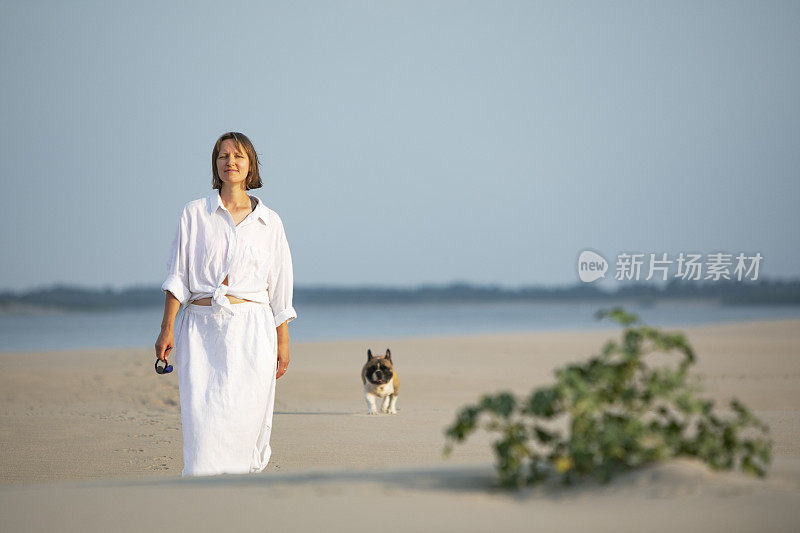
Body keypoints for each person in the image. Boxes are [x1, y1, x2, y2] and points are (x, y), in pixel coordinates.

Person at [154, 131, 297, 477]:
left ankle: (241, 503)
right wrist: (166, 328)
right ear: (215, 164)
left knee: (247, 420)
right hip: (201, 329)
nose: (229, 162)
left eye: (238, 156)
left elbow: (279, 287)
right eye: (223, 156)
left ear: (251, 166)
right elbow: (178, 276)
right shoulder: (194, 214)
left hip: (253, 331)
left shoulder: (269, 222)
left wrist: (283, 341)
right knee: (202, 421)